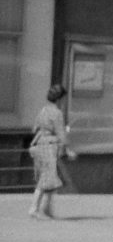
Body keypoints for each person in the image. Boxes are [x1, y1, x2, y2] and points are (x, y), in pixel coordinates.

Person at [29, 84, 68, 220]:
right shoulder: (57, 113)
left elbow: (35, 129)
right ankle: (34, 209)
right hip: (50, 146)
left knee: (50, 178)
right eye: (63, 99)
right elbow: (61, 133)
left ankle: (47, 209)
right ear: (59, 99)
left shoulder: (44, 110)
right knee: (46, 178)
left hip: (39, 145)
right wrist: (66, 149)